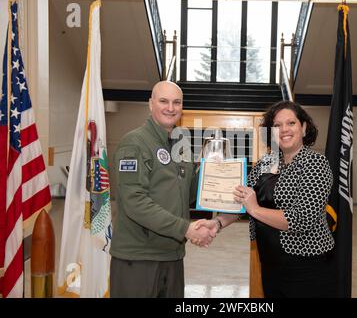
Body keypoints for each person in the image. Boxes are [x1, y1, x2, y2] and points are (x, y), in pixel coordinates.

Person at [196, 100, 336, 297]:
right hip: (270, 262)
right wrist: (217, 223)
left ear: (304, 128)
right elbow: (241, 200)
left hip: (307, 266)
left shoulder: (316, 164)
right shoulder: (266, 162)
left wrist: (255, 209)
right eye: (277, 125)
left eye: (291, 123)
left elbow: (301, 219)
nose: (284, 129)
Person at [109, 81, 217, 298]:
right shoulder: (135, 143)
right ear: (151, 104)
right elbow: (135, 202)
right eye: (163, 101)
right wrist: (185, 229)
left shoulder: (180, 145)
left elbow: (186, 195)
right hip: (139, 259)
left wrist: (209, 171)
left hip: (172, 256)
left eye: (177, 102)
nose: (171, 107)